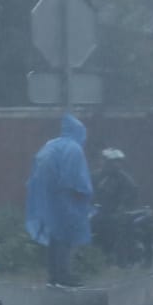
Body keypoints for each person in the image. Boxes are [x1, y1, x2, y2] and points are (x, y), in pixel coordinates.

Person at [25, 114, 94, 287]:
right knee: (66, 235)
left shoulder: (51, 145)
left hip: (47, 198)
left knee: (55, 236)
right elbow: (75, 178)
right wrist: (84, 194)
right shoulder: (73, 148)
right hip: (65, 198)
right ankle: (64, 274)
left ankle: (54, 274)